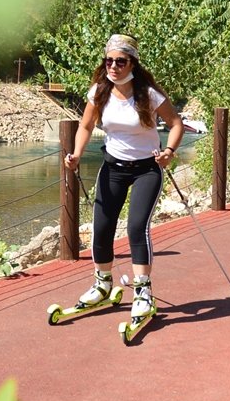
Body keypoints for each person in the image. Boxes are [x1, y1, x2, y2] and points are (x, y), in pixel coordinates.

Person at [64, 34, 184, 321]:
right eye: (109, 60)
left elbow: (176, 123)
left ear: (132, 64)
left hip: (146, 168)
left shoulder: (148, 94)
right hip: (112, 167)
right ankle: (103, 284)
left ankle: (142, 291)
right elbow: (85, 126)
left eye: (120, 61)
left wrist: (169, 151)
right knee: (101, 227)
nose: (113, 66)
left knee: (136, 227)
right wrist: (77, 153)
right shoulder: (99, 92)